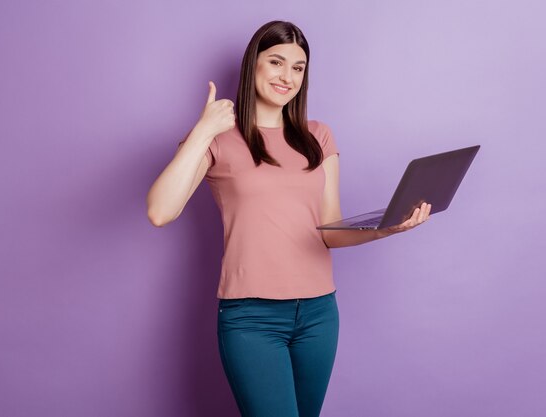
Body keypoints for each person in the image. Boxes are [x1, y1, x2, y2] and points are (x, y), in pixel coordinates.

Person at [146, 20, 431, 417]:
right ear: (253, 66)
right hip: (251, 318)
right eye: (277, 62)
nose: (287, 76)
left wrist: (388, 228)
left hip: (319, 313)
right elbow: (161, 210)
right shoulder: (218, 140)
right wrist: (202, 131)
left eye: (298, 68)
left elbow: (330, 230)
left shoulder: (319, 137)